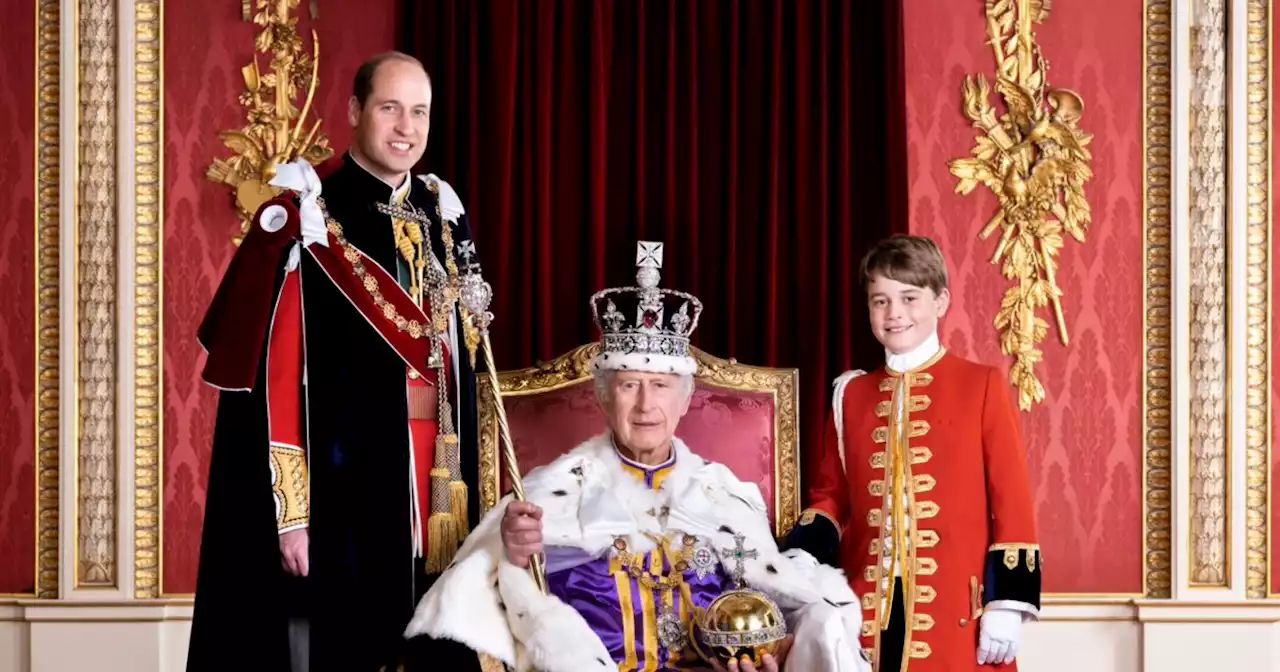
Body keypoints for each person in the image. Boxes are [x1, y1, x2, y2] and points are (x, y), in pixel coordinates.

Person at [404, 241, 873, 672]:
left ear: (686, 399)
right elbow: (491, 598)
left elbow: (776, 604)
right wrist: (515, 553)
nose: (646, 405)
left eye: (661, 387)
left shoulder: (726, 497)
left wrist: (772, 653)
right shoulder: (551, 494)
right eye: (629, 386)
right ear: (604, 399)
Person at [187, 51, 485, 671]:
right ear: (354, 111)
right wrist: (291, 516)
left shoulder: (444, 215)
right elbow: (276, 376)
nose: (407, 127)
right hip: (346, 487)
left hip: (443, 485)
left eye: (420, 111)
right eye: (390, 108)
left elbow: (466, 366)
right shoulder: (308, 214)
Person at [781, 234, 1041, 671]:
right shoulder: (851, 394)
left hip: (960, 614)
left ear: (941, 301)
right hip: (868, 612)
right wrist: (802, 557)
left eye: (909, 297)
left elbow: (1011, 498)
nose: (894, 313)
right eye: (879, 301)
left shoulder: (982, 385)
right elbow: (831, 495)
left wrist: (1009, 602)